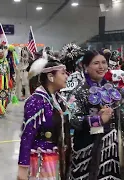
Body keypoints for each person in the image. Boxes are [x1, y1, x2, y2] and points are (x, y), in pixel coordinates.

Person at [68, 50, 122, 179]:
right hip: (87, 149)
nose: (101, 67)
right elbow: (73, 119)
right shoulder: (78, 92)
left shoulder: (112, 90)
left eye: (104, 62)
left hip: (110, 148)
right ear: (86, 67)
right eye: (96, 63)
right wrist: (98, 120)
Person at [17, 54, 71, 180]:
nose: (66, 76)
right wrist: (23, 167)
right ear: (51, 76)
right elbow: (27, 135)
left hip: (58, 157)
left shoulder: (58, 99)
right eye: (63, 73)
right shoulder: (36, 101)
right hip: (42, 160)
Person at [0, 44, 14, 117]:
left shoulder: (6, 62)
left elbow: (9, 72)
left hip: (6, 83)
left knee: (5, 97)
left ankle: (3, 109)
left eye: (2, 53)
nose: (1, 54)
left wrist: (9, 80)